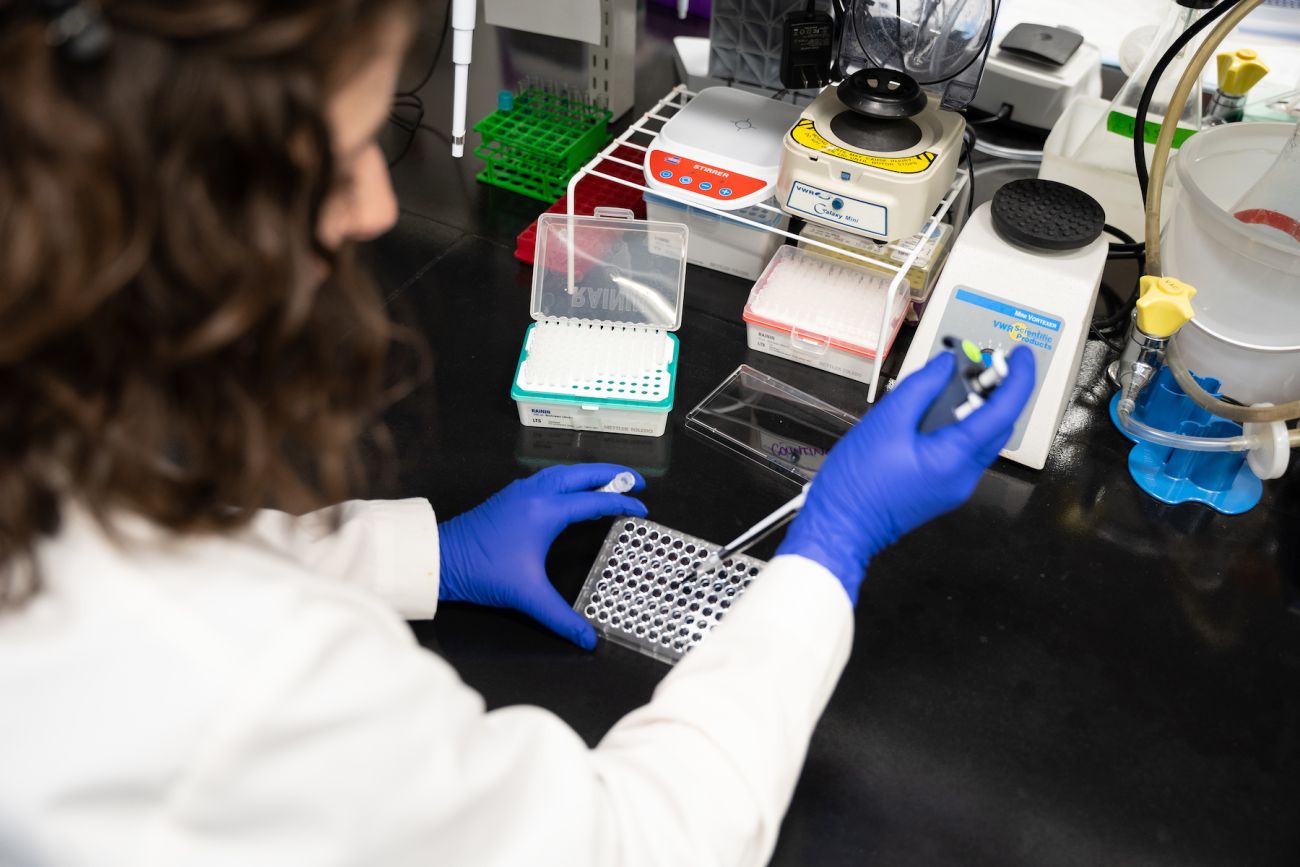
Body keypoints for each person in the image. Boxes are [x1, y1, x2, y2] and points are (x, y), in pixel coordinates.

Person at [0, 1, 1036, 864]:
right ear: (180, 185)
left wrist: (420, 554)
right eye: (352, 147)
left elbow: (122, 541)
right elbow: (638, 841)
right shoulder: (251, 690)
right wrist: (828, 548)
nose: (372, 207)